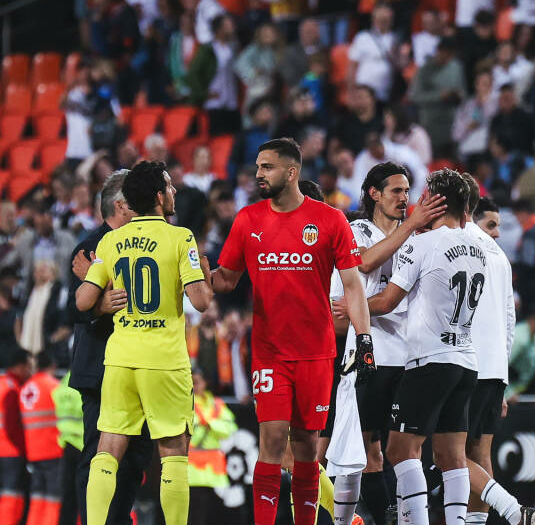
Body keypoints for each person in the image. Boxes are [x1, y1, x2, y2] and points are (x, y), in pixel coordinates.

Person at [211, 138, 373, 525]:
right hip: (269, 352)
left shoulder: (330, 220)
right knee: (271, 440)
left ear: (291, 172)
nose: (258, 174)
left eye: (266, 167)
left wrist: (364, 339)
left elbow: (353, 285)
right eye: (257, 166)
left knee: (306, 448)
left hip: (317, 352)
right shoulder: (248, 220)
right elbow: (226, 280)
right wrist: (194, 269)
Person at [75, 161, 215, 525]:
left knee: (107, 449)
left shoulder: (111, 239)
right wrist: (200, 267)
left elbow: (82, 301)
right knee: (173, 452)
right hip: (164, 360)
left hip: (120, 360)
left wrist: (105, 300)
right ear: (157, 196)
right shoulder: (180, 236)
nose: (175, 193)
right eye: (170, 186)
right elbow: (200, 301)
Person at [365, 169, 485, 525]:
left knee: (400, 449)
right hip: (465, 359)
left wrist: (353, 306)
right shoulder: (476, 247)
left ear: (434, 201)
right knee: (452, 454)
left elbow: (387, 301)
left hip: (429, 361)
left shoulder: (421, 244)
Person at [330, 162, 447, 525]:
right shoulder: (357, 229)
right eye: (396, 190)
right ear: (374, 194)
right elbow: (364, 262)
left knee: (404, 450)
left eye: (407, 191)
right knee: (365, 452)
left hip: (409, 355)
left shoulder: (417, 236)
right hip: (369, 352)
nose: (404, 198)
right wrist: (413, 224)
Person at [68, 170, 154, 525]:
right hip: (101, 370)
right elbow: (70, 309)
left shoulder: (146, 241)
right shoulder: (90, 247)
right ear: (122, 205)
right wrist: (99, 305)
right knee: (97, 456)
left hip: (141, 368)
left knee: (135, 460)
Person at [461, 181, 535, 525]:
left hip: (464, 365)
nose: (496, 232)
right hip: (493, 370)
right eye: (491, 224)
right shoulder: (502, 260)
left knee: (447, 454)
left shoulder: (462, 249)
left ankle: (511, 509)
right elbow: (510, 321)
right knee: (479, 454)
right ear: (472, 219)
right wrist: (503, 379)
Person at [188, 368, 237, 525]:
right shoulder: (184, 402)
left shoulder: (217, 404)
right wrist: (209, 424)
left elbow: (229, 429)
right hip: (191, 471)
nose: (194, 385)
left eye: (197, 381)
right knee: (194, 514)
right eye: (191, 382)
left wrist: (208, 423)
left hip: (214, 473)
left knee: (213, 514)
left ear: (204, 383)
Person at [19, 351, 62, 525]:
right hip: (53, 450)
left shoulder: (25, 388)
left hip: (33, 452)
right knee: (53, 497)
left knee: (37, 497)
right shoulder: (54, 387)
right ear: (52, 366)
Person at [0, 349, 29, 525]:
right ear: (19, 366)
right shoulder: (14, 388)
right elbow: (13, 425)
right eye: (27, 366)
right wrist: (23, 449)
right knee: (12, 495)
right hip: (11, 451)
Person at [53, 370, 84, 525]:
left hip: (67, 442)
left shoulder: (65, 379)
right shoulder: (88, 374)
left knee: (68, 497)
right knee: (85, 497)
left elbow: (56, 397)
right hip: (85, 444)